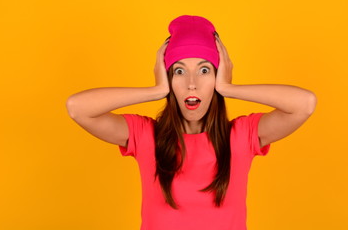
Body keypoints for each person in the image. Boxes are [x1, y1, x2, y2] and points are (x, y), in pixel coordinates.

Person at [66, 15, 317, 230]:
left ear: (218, 77)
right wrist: (154, 91)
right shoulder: (145, 136)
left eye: (205, 70)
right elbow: (77, 108)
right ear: (168, 79)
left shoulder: (241, 136)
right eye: (179, 71)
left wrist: (229, 88)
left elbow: (304, 104)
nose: (192, 83)